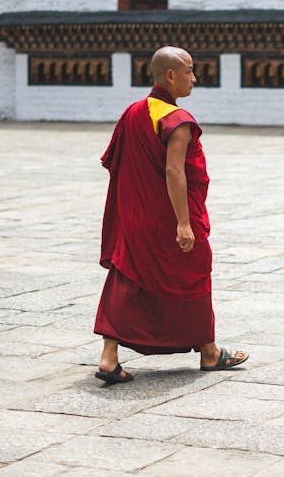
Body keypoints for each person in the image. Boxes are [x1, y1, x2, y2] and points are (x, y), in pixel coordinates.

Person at [92, 46, 248, 384]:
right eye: (190, 72)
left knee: (127, 280)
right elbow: (174, 173)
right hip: (169, 218)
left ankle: (109, 357)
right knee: (194, 274)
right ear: (170, 76)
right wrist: (183, 223)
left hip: (135, 217)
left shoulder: (134, 112)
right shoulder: (177, 121)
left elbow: (116, 163)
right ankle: (209, 352)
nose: (194, 79)